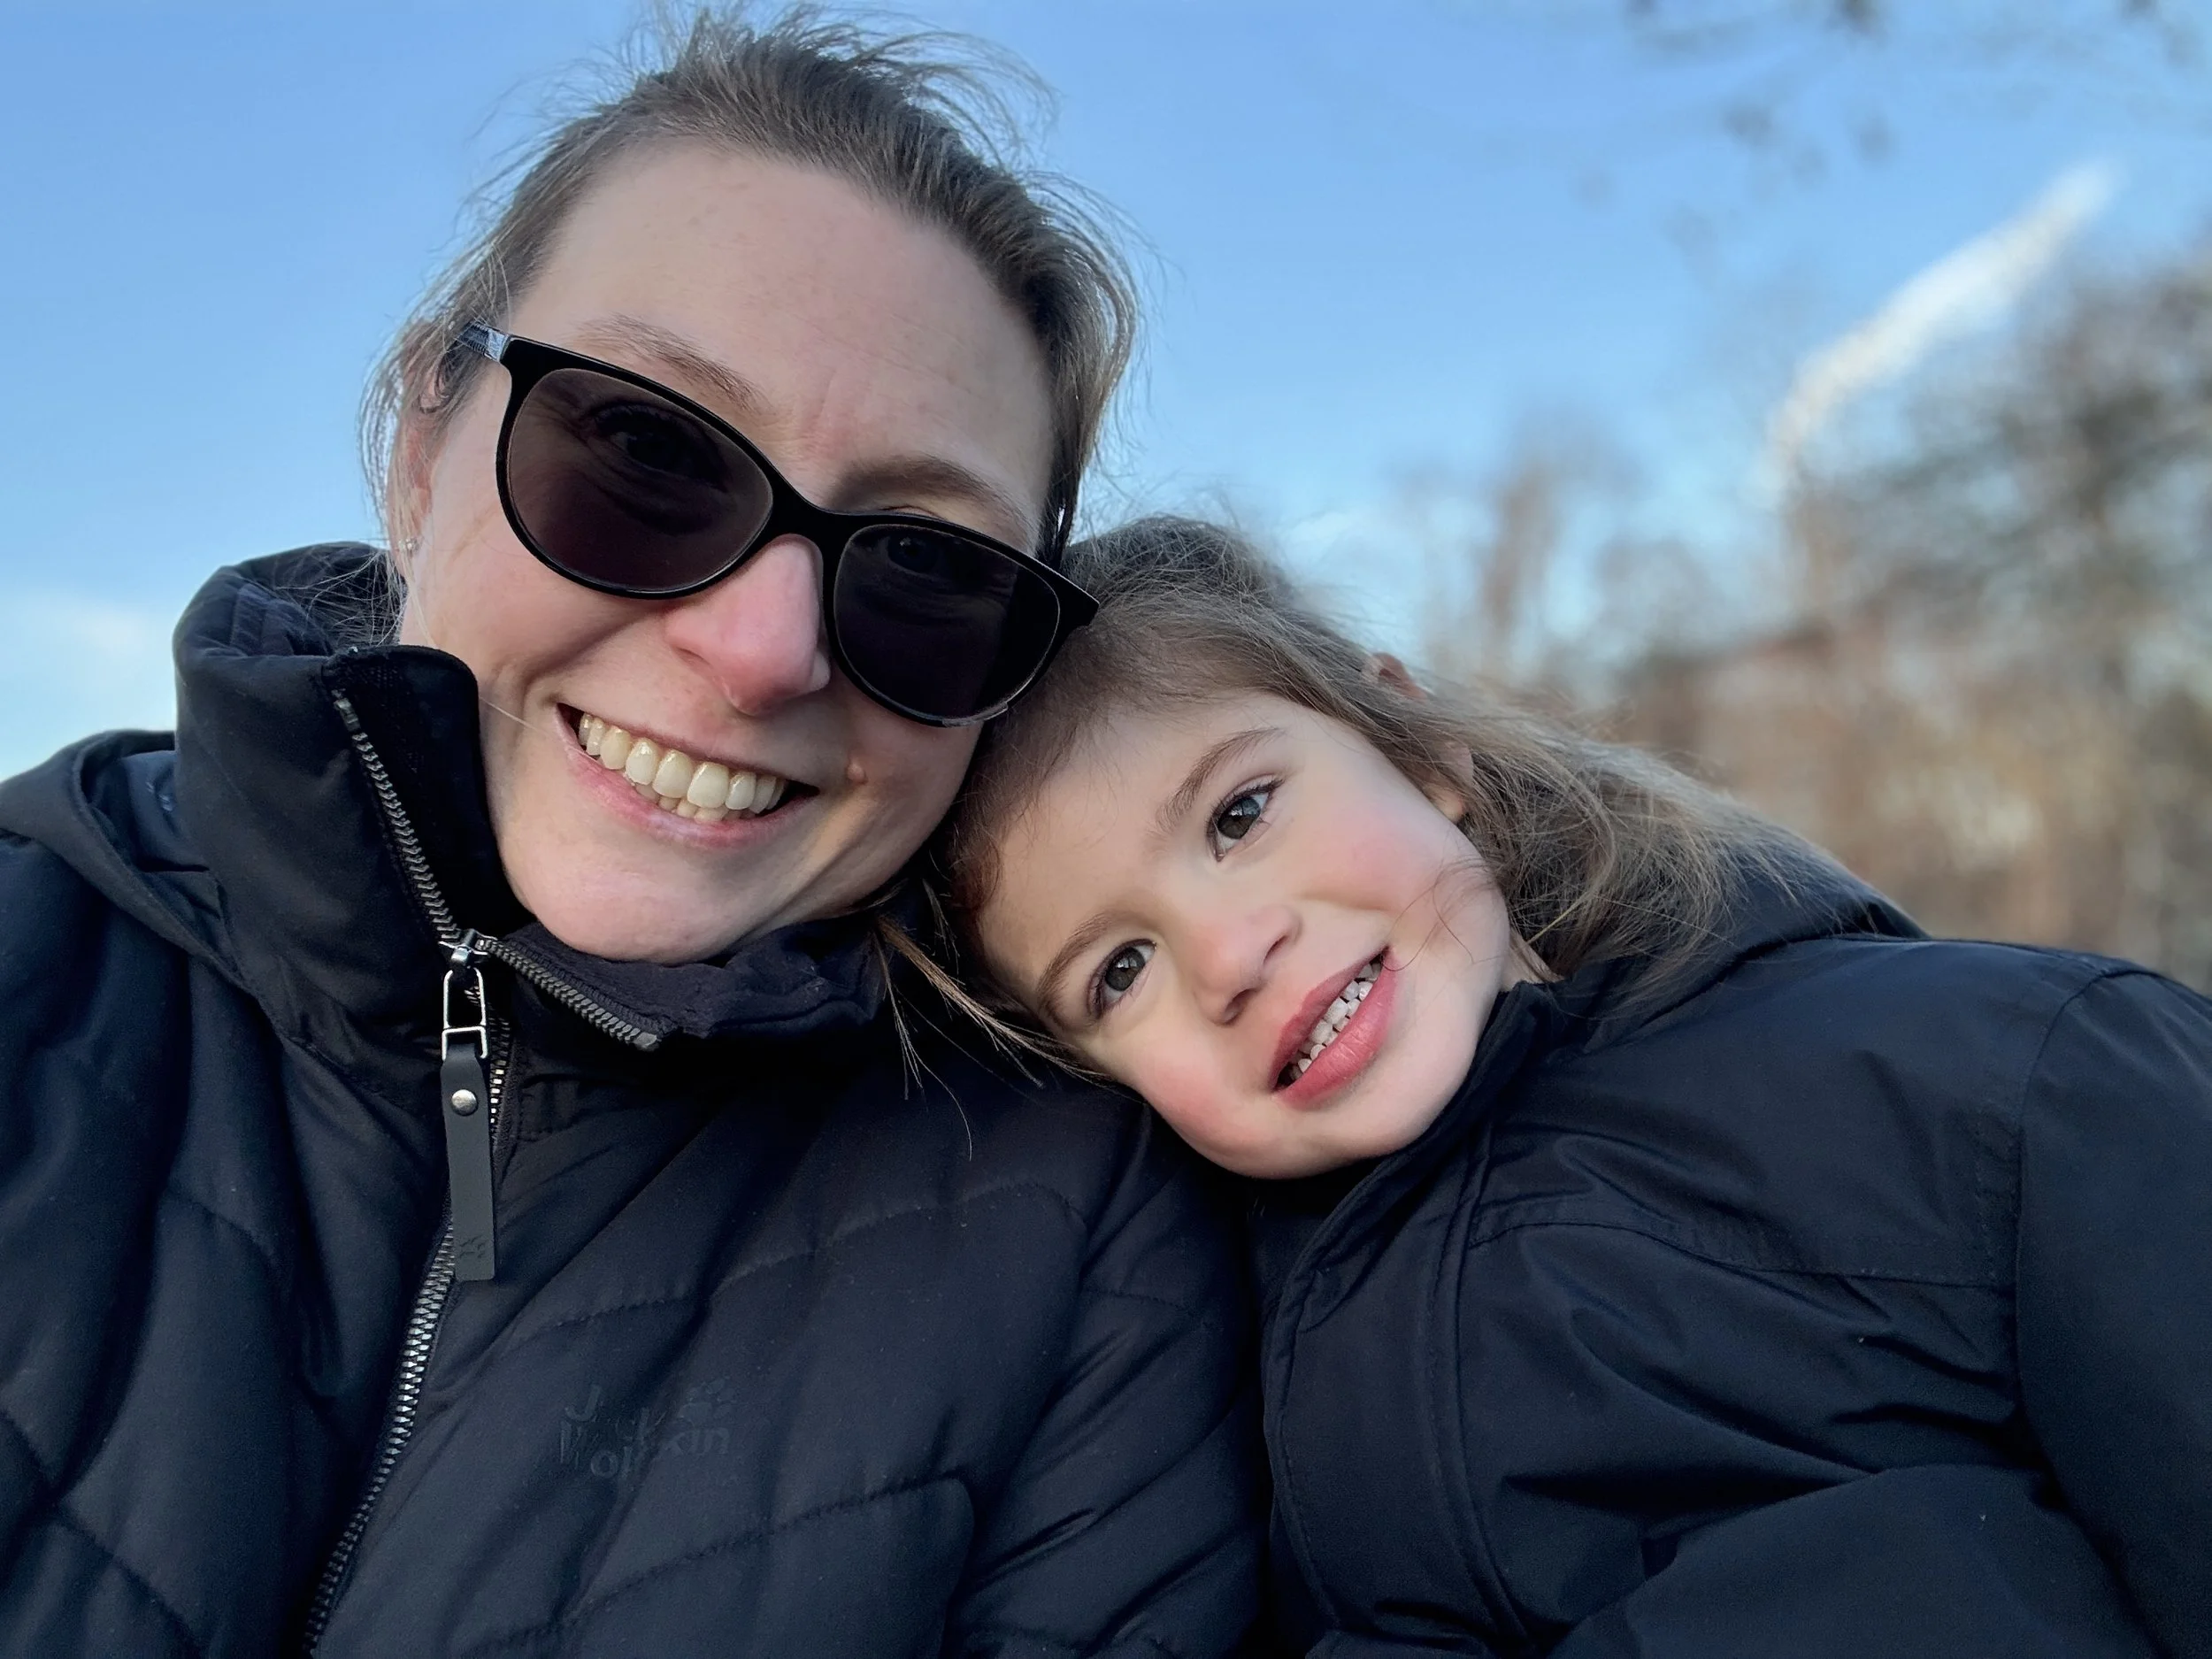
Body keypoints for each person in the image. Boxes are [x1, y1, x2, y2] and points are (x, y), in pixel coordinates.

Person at [0, 18, 1262, 1655]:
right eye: (647, 452)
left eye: (927, 570)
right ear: (419, 440)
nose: (762, 652)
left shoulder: (1081, 1232)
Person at [922, 514, 2212, 1658]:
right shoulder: (1207, 1402)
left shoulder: (2005, 1074)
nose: (1228, 953)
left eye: (1241, 812)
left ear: (1417, 748)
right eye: (1120, 967)